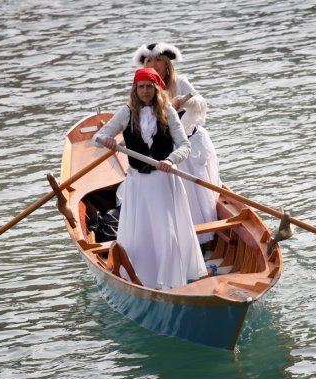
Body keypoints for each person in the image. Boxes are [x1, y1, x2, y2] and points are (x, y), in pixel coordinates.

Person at [92, 67, 207, 290]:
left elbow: (185, 145)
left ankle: (172, 282)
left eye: (149, 87)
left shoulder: (168, 112)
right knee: (142, 233)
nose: (145, 91)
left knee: (167, 233)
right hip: (138, 184)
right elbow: (97, 137)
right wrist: (106, 141)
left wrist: (172, 160)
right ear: (135, 90)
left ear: (156, 89)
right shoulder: (126, 113)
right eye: (140, 87)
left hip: (164, 182)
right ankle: (144, 279)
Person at [132, 42, 220, 245]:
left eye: (159, 61)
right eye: (149, 61)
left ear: (167, 64)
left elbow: (201, 104)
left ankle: (207, 240)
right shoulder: (146, 90)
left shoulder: (180, 82)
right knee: (178, 198)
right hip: (168, 152)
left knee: (199, 195)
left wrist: (184, 101)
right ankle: (184, 240)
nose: (154, 65)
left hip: (192, 145)